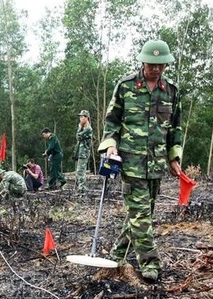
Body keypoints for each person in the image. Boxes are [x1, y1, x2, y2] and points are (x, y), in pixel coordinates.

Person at [98, 39, 182, 282]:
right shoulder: (125, 87)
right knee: (141, 215)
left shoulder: (172, 92)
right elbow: (111, 121)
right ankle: (150, 262)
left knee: (140, 214)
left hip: (156, 164)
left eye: (161, 65)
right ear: (142, 61)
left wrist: (174, 157)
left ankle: (117, 253)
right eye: (151, 64)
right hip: (131, 162)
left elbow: (175, 128)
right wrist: (110, 144)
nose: (156, 69)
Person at [74, 110, 93, 196]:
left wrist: (79, 127)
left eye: (82, 117)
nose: (80, 118)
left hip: (84, 153)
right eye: (80, 117)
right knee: (79, 172)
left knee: (80, 172)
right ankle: (80, 190)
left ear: (86, 118)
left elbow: (78, 136)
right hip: (81, 153)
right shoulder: (83, 128)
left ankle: (82, 192)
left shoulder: (88, 129)